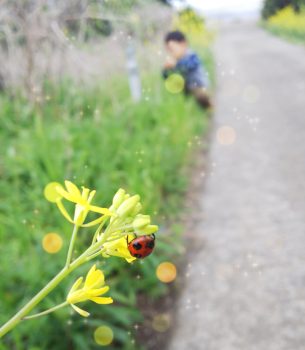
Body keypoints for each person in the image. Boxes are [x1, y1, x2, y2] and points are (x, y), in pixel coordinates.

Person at [162, 30, 212, 109]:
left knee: (200, 96)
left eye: (171, 49)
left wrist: (176, 64)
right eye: (168, 50)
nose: (170, 52)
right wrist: (165, 70)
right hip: (187, 87)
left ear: (183, 44)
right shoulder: (174, 59)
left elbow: (191, 65)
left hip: (200, 86)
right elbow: (167, 77)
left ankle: (209, 108)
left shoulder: (191, 55)